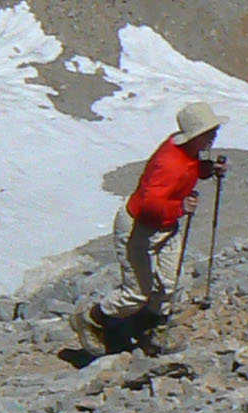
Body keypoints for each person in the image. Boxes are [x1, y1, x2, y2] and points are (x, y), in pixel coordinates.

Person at [76, 102, 225, 349]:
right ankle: (92, 318)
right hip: (139, 228)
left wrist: (207, 169)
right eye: (210, 131)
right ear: (195, 134)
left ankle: (152, 328)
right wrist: (180, 208)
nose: (214, 135)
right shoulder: (169, 163)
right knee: (136, 293)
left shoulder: (185, 151)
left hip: (165, 225)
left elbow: (188, 170)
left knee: (168, 281)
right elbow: (149, 205)